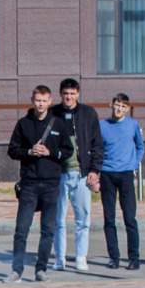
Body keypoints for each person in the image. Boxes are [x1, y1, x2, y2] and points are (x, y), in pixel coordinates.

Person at [6, 85, 72, 283]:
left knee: (48, 229)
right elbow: (12, 150)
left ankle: (41, 269)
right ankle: (16, 270)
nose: (41, 104)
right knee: (21, 229)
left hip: (51, 183)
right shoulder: (23, 123)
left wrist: (49, 152)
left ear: (50, 101)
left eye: (44, 101)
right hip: (29, 184)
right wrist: (28, 152)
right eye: (37, 100)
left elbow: (67, 151)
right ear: (32, 100)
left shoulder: (58, 124)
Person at [51, 78, 102, 273]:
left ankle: (81, 257)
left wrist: (94, 171)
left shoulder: (88, 114)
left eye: (72, 93)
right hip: (59, 175)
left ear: (78, 94)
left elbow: (97, 145)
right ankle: (59, 258)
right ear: (60, 94)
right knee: (58, 219)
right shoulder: (53, 114)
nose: (69, 97)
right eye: (66, 93)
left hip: (82, 175)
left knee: (83, 219)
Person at [99, 93, 145, 270]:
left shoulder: (132, 124)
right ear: (111, 105)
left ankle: (134, 258)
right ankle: (114, 257)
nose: (119, 109)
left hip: (126, 174)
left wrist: (135, 163)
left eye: (123, 106)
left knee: (129, 218)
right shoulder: (102, 126)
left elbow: (140, 146)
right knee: (109, 218)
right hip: (107, 174)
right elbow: (96, 148)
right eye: (117, 105)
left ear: (127, 108)